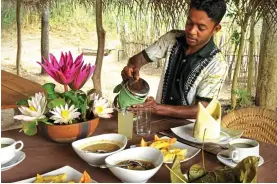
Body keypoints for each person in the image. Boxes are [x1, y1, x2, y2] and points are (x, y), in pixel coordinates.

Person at [121, 0, 228, 119]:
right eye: (189, 22)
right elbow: (138, 60)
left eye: (201, 28)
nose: (191, 31)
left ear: (216, 29)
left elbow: (203, 109)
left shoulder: (217, 64)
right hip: (159, 122)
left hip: (188, 132)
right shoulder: (172, 39)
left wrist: (157, 108)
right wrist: (132, 67)